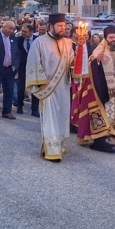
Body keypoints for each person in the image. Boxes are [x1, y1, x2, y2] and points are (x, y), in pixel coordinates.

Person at [26, 13, 75, 161]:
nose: (63, 28)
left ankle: (58, 145)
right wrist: (41, 85)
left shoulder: (68, 43)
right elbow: (34, 63)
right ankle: (51, 150)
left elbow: (72, 64)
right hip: (48, 88)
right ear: (50, 26)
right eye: (59, 26)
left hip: (64, 87)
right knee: (50, 119)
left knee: (61, 117)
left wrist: (81, 53)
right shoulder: (39, 42)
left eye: (64, 26)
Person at [74, 26, 115, 153]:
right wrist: (97, 61)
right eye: (111, 37)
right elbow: (89, 67)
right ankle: (101, 140)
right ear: (105, 38)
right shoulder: (98, 50)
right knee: (104, 115)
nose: (113, 40)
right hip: (103, 91)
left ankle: (113, 137)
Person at [13, 23, 39, 117]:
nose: (22, 33)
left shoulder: (37, 40)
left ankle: (34, 109)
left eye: (25, 31)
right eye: (22, 31)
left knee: (35, 88)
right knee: (21, 87)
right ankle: (20, 106)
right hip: (22, 67)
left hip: (35, 67)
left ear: (31, 32)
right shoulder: (18, 40)